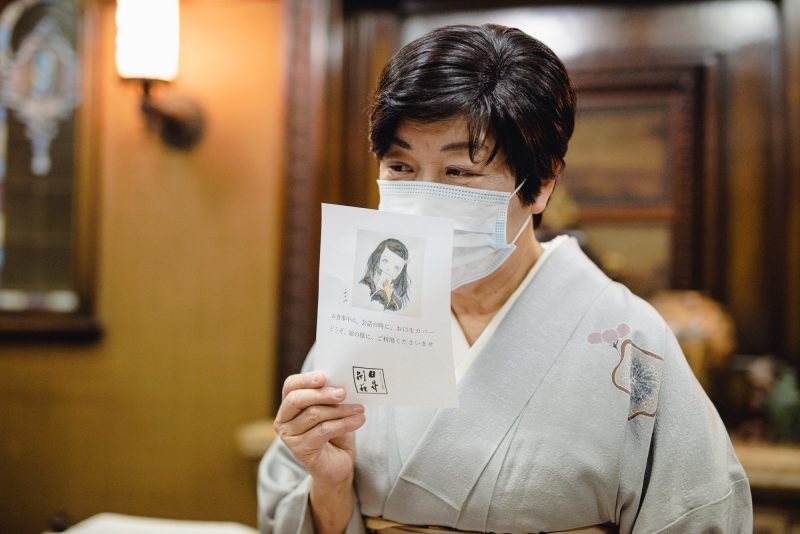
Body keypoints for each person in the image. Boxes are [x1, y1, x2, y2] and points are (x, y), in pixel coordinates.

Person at [258, 23, 752, 534]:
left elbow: (696, 514)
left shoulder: (629, 338)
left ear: (540, 185)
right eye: (401, 168)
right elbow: (293, 500)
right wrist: (330, 484)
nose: (422, 199)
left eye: (458, 172)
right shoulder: (365, 315)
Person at [359, 238, 411, 312]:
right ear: (376, 260)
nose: (389, 269)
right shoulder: (363, 287)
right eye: (385, 260)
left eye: (396, 267)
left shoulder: (396, 303)